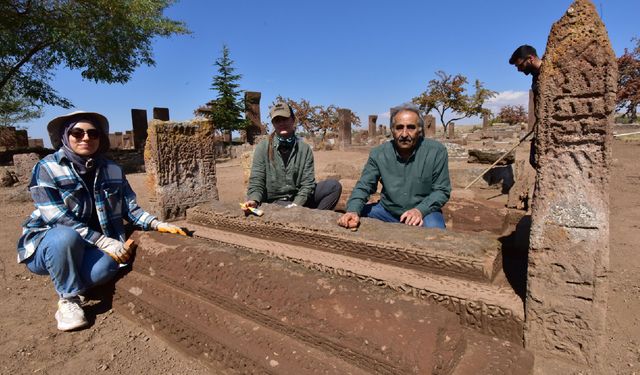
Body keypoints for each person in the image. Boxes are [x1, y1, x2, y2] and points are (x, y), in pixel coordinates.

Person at [16, 111, 187, 331]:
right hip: (49, 245)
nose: (86, 138)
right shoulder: (47, 168)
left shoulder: (112, 169)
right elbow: (57, 218)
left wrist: (156, 224)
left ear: (100, 138)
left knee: (108, 266)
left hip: (88, 247)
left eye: (93, 133)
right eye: (77, 133)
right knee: (65, 237)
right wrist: (103, 241)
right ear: (66, 136)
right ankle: (68, 299)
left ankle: (71, 280)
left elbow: (130, 208)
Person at [337, 105, 450, 230]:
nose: (404, 134)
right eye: (399, 127)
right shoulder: (379, 153)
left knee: (435, 232)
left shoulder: (436, 151)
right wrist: (353, 210)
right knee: (354, 217)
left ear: (419, 129)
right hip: (387, 211)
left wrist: (420, 210)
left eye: (411, 127)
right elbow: (364, 185)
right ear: (392, 130)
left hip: (425, 212)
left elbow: (442, 191)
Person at [241, 101, 342, 212]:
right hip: (275, 201)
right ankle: (304, 218)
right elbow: (257, 181)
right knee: (285, 207)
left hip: (299, 198)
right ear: (273, 124)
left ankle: (313, 218)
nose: (281, 123)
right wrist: (254, 200)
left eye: (285, 119)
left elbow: (308, 183)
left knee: (334, 186)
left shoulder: (304, 148)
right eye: (277, 120)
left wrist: (297, 204)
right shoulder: (263, 148)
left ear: (293, 120)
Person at [509, 44, 543, 167]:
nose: (519, 69)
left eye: (520, 65)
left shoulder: (549, 73)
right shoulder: (536, 77)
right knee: (534, 159)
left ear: (530, 58)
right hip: (541, 126)